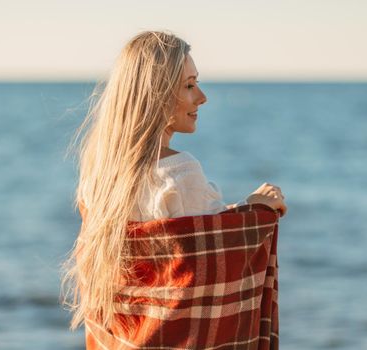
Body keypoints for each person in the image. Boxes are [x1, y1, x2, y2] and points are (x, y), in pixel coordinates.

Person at [61, 30, 287, 339]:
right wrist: (256, 211)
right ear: (157, 95)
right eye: (189, 86)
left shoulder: (100, 175)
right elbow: (211, 258)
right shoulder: (179, 174)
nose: (202, 97)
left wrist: (241, 209)